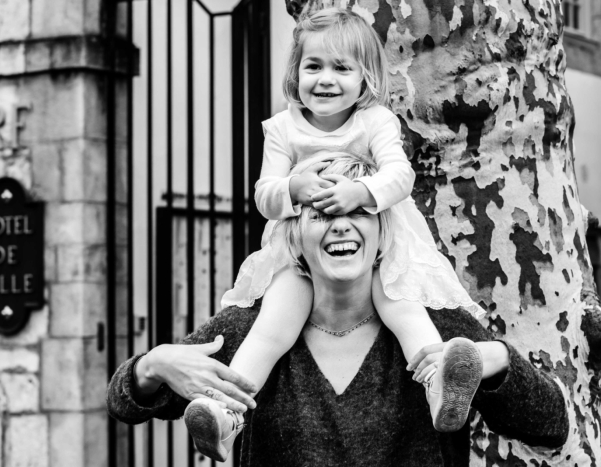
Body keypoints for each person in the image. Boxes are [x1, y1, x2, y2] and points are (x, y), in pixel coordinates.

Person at [106, 156, 570, 466]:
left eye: (360, 210)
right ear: (295, 235)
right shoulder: (248, 328)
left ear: (384, 227)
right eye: (321, 213)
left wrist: (498, 362)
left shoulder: (435, 327)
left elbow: (552, 427)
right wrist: (156, 364)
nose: (341, 226)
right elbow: (122, 401)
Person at [184, 7, 486, 460]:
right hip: (301, 253)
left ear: (365, 80)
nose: (326, 79)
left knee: (404, 309)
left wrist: (359, 192)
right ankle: (225, 412)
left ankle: (438, 384)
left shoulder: (375, 122)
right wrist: (292, 187)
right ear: (296, 72)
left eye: (342, 68)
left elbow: (400, 177)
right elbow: (264, 195)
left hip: (380, 248)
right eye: (314, 66)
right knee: (269, 330)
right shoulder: (282, 128)